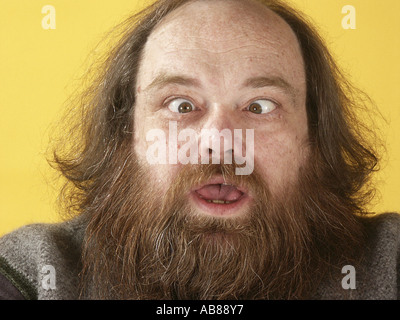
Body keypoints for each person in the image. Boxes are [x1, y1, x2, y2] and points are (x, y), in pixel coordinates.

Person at [0, 0, 398, 300]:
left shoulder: (389, 263)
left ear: (313, 141)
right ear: (125, 137)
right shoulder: (34, 273)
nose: (219, 141)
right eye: (181, 105)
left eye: (260, 106)